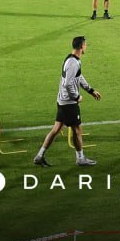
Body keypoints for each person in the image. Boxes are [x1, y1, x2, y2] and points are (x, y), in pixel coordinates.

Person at [34, 36, 101, 167]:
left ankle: (39, 156)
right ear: (81, 46)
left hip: (63, 101)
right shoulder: (73, 63)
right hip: (69, 103)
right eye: (85, 45)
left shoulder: (72, 60)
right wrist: (76, 97)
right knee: (77, 130)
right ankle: (80, 158)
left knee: (56, 129)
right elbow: (67, 84)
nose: (86, 47)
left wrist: (90, 90)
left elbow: (78, 76)